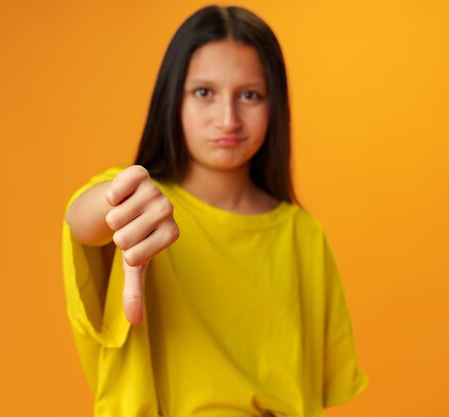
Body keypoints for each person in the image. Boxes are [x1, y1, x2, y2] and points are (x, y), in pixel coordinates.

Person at [62, 5, 368, 416]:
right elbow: (84, 222)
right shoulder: (138, 204)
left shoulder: (304, 235)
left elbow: (310, 394)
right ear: (173, 98)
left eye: (249, 95)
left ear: (274, 104)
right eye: (204, 92)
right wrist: (117, 202)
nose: (228, 119)